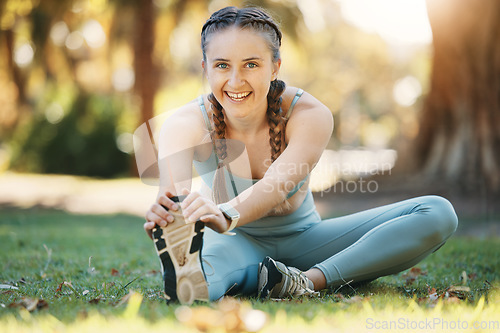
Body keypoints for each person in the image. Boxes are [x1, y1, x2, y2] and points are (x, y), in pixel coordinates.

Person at [142, 6, 458, 305]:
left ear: (275, 66)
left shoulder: (309, 114)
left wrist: (224, 214)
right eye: (222, 65)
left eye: (251, 64)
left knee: (437, 212)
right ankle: (237, 278)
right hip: (233, 243)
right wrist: (171, 214)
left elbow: (279, 183)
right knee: (200, 283)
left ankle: (305, 281)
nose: (236, 81)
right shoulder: (185, 124)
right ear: (206, 69)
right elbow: (174, 194)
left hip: (309, 242)